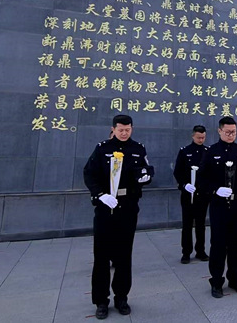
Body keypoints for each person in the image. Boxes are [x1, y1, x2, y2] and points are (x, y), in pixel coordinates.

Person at [84, 114, 154, 319]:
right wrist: (100, 195)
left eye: (128, 129)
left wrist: (145, 176)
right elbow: (89, 174)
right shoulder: (102, 148)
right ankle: (101, 300)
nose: (124, 133)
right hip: (106, 207)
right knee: (102, 256)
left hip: (127, 207)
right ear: (113, 129)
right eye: (121, 129)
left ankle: (121, 297)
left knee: (124, 255)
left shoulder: (138, 148)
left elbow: (145, 170)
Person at [196, 116, 237, 298]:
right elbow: (202, 178)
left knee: (235, 243)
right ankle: (216, 281)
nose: (231, 135)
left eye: (234, 132)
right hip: (219, 205)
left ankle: (235, 278)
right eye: (228, 132)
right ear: (220, 131)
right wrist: (215, 189)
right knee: (218, 243)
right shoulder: (211, 152)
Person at [173, 125, 210, 264]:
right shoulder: (185, 151)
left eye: (203, 137)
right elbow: (178, 172)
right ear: (193, 136)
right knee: (187, 224)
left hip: (202, 194)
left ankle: (200, 250)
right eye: (198, 137)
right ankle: (186, 252)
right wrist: (184, 185)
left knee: (201, 224)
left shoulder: (207, 151)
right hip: (188, 194)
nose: (201, 140)